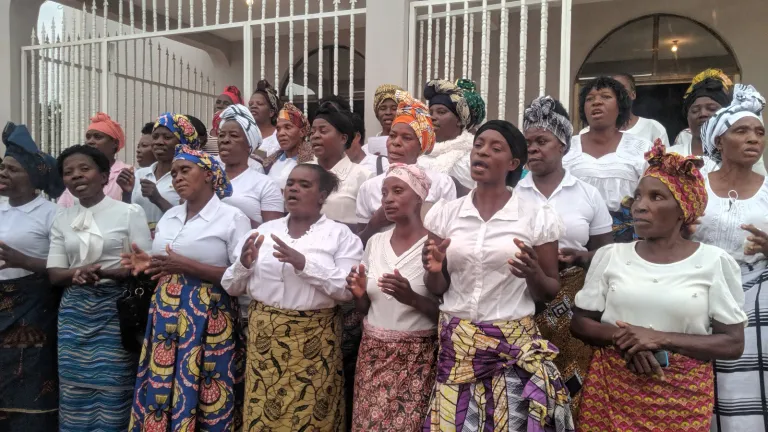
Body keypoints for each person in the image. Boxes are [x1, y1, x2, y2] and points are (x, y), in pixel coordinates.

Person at [571, 141, 747, 431]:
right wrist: (627, 340)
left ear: (682, 209)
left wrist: (658, 338)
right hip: (611, 394)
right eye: (638, 197)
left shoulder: (714, 262)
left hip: (683, 401)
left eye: (656, 197)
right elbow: (580, 323)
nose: (640, 206)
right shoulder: (611, 255)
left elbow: (732, 343)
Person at [421, 120, 574, 431]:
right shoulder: (446, 214)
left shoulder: (536, 217)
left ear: (513, 163)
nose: (482, 152)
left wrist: (533, 273)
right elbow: (437, 287)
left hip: (512, 351)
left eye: (495, 148)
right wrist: (434, 270)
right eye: (478, 145)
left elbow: (549, 290)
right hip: (458, 348)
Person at [221, 164, 364, 431]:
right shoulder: (262, 232)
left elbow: (347, 290)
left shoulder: (340, 235)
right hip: (265, 341)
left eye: (304, 185)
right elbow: (230, 286)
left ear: (322, 195)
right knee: (263, 413)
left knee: (311, 413)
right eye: (290, 183)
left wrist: (304, 264)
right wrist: (243, 265)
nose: (294, 189)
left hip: (314, 342)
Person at [124, 145, 250, 432]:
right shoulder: (170, 217)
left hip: (209, 316)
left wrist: (187, 266)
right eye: (173, 173)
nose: (177, 178)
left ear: (208, 175)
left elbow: (241, 278)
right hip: (166, 312)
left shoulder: (232, 218)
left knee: (206, 383)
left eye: (185, 170)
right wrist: (150, 263)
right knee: (164, 384)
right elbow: (168, 263)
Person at [519, 96, 613, 416]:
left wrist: (581, 256)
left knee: (572, 384)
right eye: (528, 143)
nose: (533, 149)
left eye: (541, 141)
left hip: (574, 305)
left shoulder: (587, 194)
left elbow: (607, 252)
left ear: (562, 145)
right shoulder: (513, 195)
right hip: (524, 300)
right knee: (527, 386)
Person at [48, 145, 152, 431]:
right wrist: (76, 273)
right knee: (74, 392)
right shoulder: (62, 219)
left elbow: (145, 265)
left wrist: (107, 273)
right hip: (74, 315)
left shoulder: (129, 213)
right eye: (68, 172)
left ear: (105, 175)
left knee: (114, 389)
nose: (76, 176)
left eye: (84, 169)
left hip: (116, 313)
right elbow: (55, 273)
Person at [694, 84, 768, 432]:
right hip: (698, 293)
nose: (753, 138)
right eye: (742, 131)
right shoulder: (694, 185)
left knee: (750, 385)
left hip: (758, 302)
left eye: (759, 132)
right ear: (719, 141)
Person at [346, 163, 439, 431]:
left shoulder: (433, 246)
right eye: (384, 193)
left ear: (419, 197)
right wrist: (359, 294)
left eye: (398, 191)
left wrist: (411, 298)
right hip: (372, 356)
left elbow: (446, 314)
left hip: (416, 360)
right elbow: (366, 308)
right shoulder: (375, 243)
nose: (388, 199)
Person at [0, 123, 65, 431]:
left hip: (34, 311)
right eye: (3, 167)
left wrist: (23, 260)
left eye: (12, 169)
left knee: (31, 376)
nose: (3, 173)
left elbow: (64, 265)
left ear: (32, 178)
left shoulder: (51, 214)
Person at [357, 90, 456, 244]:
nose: (396, 142)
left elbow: (449, 234)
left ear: (421, 146)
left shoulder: (441, 183)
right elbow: (360, 244)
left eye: (406, 138)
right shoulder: (369, 187)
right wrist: (375, 223)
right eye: (392, 135)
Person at [564, 76, 653, 243]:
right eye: (590, 99)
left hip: (626, 243)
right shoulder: (566, 148)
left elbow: (651, 196)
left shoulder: (641, 148)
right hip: (574, 240)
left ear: (620, 106)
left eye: (606, 97)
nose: (597, 102)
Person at [670, 68, 767, 176]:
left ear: (725, 116)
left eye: (711, 109)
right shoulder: (670, 157)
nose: (703, 113)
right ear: (687, 117)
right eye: (695, 110)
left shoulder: (739, 157)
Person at [117, 113, 195, 233]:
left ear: (183, 142)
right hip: (140, 242)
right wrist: (127, 193)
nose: (159, 142)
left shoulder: (189, 177)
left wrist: (157, 199)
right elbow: (128, 215)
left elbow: (190, 221)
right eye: (155, 137)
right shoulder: (140, 174)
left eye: (167, 137)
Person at [217, 103, 283, 225]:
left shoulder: (266, 185)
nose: (225, 140)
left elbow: (272, 230)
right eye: (221, 135)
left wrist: (229, 215)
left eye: (234, 135)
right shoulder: (206, 179)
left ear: (249, 145)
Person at [311, 101, 373, 228]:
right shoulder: (302, 171)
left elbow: (369, 227)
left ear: (343, 138)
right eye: (312, 132)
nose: (315, 136)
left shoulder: (363, 176)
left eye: (323, 131)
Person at [59, 112, 131, 207]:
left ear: (115, 143)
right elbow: (63, 208)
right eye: (88, 137)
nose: (90, 141)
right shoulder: (76, 173)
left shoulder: (128, 172)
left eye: (97, 137)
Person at [580, 73, 669, 146]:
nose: (619, 95)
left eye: (622, 90)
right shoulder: (586, 133)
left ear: (633, 94)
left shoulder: (653, 128)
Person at [419, 80, 475, 193]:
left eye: (441, 112)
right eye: (430, 113)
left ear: (459, 120)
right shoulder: (417, 154)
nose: (433, 117)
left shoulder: (472, 157)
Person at [262, 102, 314, 190]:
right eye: (278, 129)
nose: (281, 133)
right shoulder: (269, 162)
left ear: (302, 132)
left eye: (288, 127)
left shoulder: (313, 161)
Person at [250, 80, 282, 157]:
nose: (253, 106)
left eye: (259, 104)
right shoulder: (244, 134)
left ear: (271, 112)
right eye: (250, 104)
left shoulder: (280, 135)